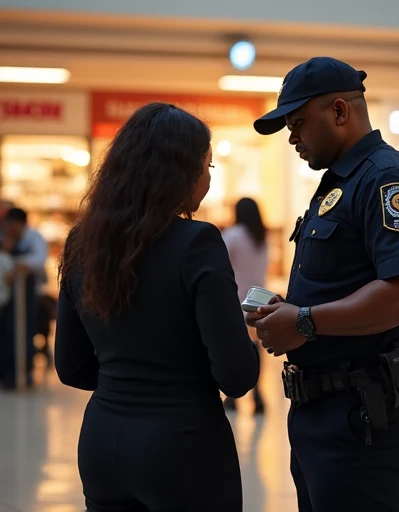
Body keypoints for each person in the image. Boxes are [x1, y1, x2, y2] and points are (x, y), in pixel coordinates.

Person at [247, 57, 399, 512]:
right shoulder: (341, 183)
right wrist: (290, 309)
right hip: (327, 408)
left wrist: (305, 321)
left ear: (340, 111)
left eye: (298, 124)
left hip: (365, 410)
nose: (292, 138)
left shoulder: (388, 180)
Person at [55, 102, 259, 512]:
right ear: (181, 171)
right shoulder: (197, 243)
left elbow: (71, 366)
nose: (208, 180)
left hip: (101, 445)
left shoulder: (82, 242)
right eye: (208, 167)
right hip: (183, 448)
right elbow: (236, 375)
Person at [222, 197, 268, 413]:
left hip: (236, 298)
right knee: (255, 346)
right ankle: (258, 396)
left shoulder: (232, 235)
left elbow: (220, 265)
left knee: (236, 348)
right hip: (259, 299)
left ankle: (233, 396)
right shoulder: (262, 237)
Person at [0, 207, 46, 389]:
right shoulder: (4, 238)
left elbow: (39, 260)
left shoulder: (34, 238)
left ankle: (23, 373)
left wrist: (19, 265)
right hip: (7, 297)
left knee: (25, 331)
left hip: (28, 295)